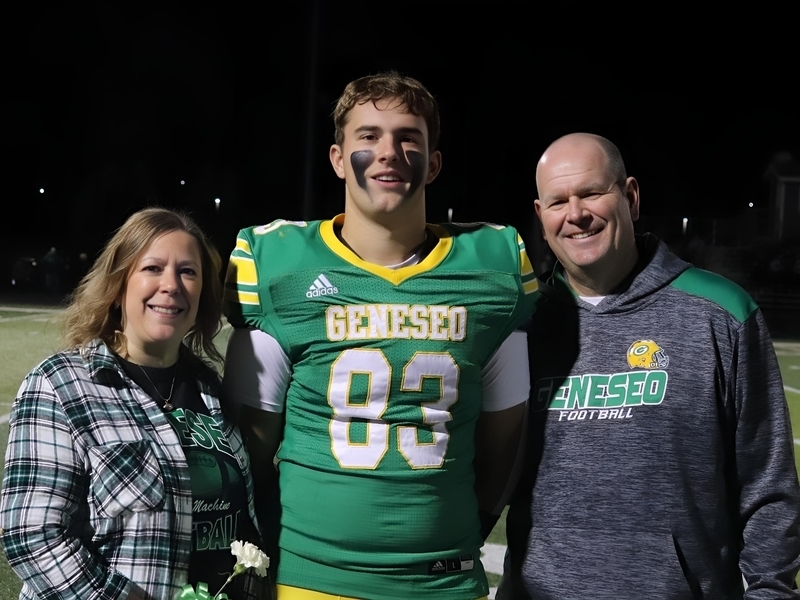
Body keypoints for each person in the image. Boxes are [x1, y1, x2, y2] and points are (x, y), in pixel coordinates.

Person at [223, 71, 538, 599]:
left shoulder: (493, 270)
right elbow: (251, 449)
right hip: (311, 578)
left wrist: (460, 526)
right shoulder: (278, 267)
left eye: (407, 137)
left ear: (434, 163)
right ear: (338, 158)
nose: (388, 151)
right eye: (368, 136)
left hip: (444, 581)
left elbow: (502, 446)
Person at [498, 133, 800, 599]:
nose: (576, 213)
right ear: (541, 217)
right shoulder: (519, 324)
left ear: (631, 197)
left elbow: (767, 483)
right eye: (558, 201)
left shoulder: (720, 313)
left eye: (592, 192)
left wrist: (771, 591)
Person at [0, 208, 267, 600]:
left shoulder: (212, 390)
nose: (171, 285)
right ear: (119, 282)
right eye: (153, 268)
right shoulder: (61, 384)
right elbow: (31, 534)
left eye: (188, 272)